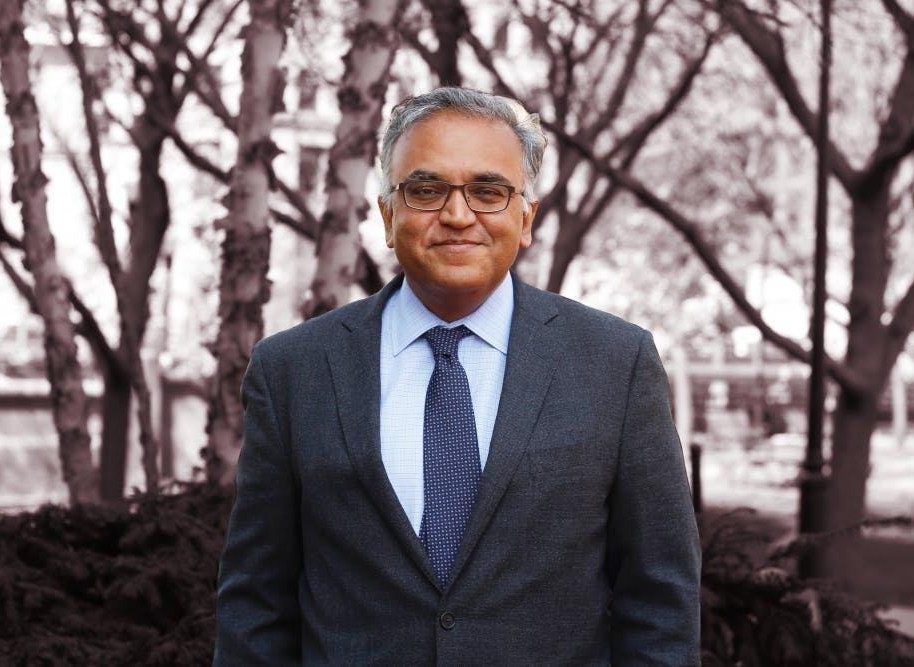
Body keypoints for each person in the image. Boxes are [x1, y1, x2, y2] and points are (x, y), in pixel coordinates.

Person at [214, 87, 701, 665]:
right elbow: (256, 603)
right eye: (426, 190)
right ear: (388, 216)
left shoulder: (616, 364)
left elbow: (661, 599)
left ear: (525, 219)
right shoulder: (294, 370)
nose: (457, 214)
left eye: (488, 191)